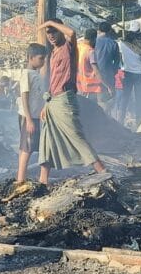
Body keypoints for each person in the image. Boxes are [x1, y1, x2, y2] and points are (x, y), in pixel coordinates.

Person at [37, 19, 106, 185]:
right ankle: (43, 180)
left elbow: (73, 33)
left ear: (61, 31)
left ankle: (102, 171)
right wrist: (46, 104)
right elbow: (53, 80)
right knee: (46, 138)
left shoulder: (69, 47)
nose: (51, 35)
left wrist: (49, 22)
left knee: (76, 136)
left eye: (54, 31)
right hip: (53, 100)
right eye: (48, 33)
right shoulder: (53, 52)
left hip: (65, 100)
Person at [17, 42, 47, 183]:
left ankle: (25, 178)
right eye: (41, 58)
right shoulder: (26, 74)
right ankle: (20, 179)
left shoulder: (36, 74)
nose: (43, 61)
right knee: (26, 148)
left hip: (35, 116)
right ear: (31, 57)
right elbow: (25, 96)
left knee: (30, 147)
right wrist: (28, 119)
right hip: (28, 117)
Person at [118, 22, 141, 124]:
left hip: (127, 73)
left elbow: (120, 56)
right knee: (139, 98)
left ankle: (120, 121)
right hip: (139, 74)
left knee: (125, 98)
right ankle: (139, 123)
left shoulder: (122, 44)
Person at [93, 22, 120, 113]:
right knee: (107, 103)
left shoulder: (93, 42)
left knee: (93, 105)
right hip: (108, 77)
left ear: (99, 30)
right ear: (109, 31)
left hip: (92, 77)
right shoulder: (113, 44)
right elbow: (117, 63)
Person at [76, 28, 102, 102]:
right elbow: (96, 71)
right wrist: (107, 85)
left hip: (79, 85)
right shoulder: (90, 51)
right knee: (91, 109)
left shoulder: (78, 46)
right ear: (93, 39)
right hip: (91, 88)